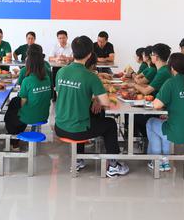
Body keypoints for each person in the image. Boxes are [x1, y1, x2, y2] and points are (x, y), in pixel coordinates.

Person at [55, 35, 129, 177]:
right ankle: (113, 166)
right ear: (90, 54)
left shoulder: (61, 72)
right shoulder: (90, 76)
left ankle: (78, 160)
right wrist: (97, 99)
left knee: (83, 116)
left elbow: (62, 96)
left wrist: (91, 99)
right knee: (110, 124)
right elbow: (105, 103)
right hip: (77, 130)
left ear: (73, 51)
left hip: (60, 127)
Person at [146, 53, 184, 172]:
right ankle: (165, 161)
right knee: (164, 125)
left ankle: (157, 160)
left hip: (180, 132)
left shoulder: (171, 82)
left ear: (171, 67)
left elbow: (156, 105)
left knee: (151, 123)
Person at [4, 44, 52, 149]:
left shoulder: (27, 79)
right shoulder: (47, 77)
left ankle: (14, 142)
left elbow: (22, 102)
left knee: (10, 115)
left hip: (30, 115)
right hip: (44, 114)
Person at [132, 43, 172, 138]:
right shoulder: (163, 70)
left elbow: (146, 91)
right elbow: (151, 86)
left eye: (152, 54)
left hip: (162, 108)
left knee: (135, 116)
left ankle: (145, 139)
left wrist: (134, 85)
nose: (150, 56)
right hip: (159, 104)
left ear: (156, 57)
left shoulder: (162, 72)